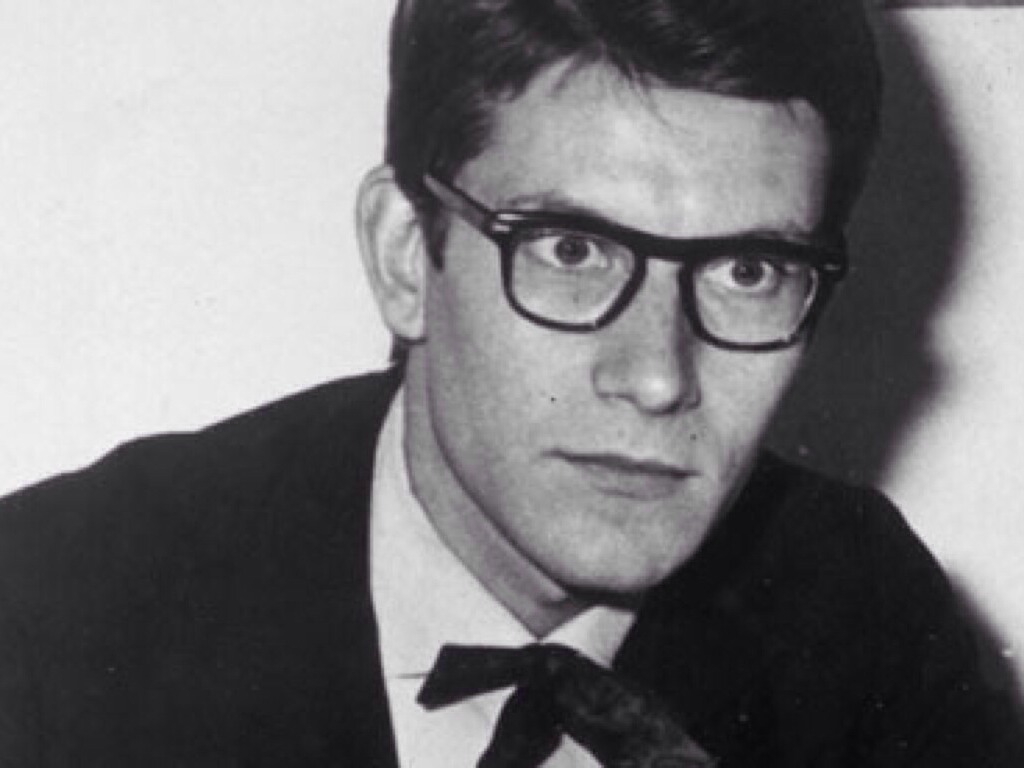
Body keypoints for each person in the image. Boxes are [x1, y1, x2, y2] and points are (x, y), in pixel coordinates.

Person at [1, 0, 1022, 765]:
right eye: (571, 250)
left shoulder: (862, 618)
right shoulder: (52, 616)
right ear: (407, 256)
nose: (656, 377)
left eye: (748, 271)